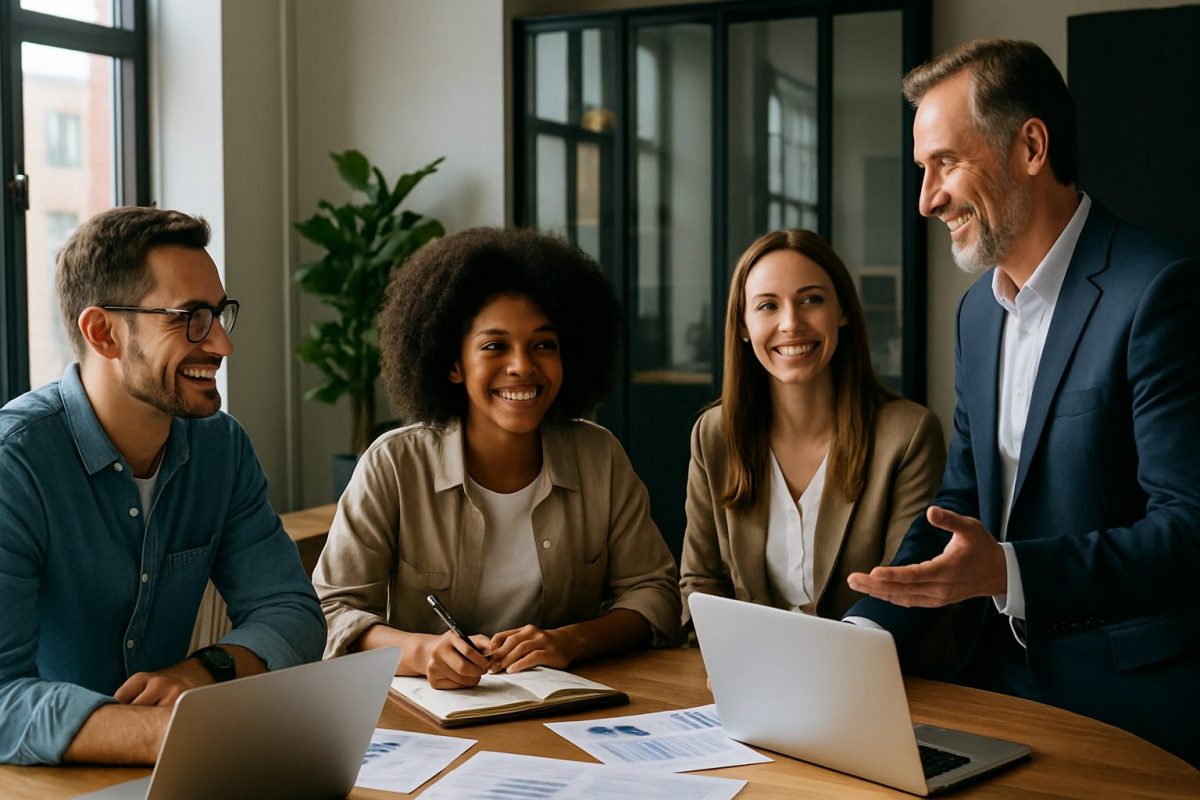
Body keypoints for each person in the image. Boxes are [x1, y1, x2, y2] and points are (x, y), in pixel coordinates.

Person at [844, 38, 1200, 766]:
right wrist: (861, 635)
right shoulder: (977, 314)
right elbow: (959, 504)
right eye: (922, 170)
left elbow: (1190, 532)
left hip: (1132, 710)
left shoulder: (1161, 292)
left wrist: (1009, 572)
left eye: (945, 163)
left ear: (1031, 147)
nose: (927, 199)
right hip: (994, 686)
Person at [0, 207, 326, 766]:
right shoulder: (15, 465)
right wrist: (164, 733)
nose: (222, 345)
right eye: (190, 318)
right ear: (103, 333)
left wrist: (204, 672)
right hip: (41, 781)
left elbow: (292, 612)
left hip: (172, 771)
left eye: (218, 315)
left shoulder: (221, 449)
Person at [313, 227, 681, 689]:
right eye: (495, 346)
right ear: (453, 364)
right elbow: (333, 611)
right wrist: (422, 651)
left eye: (543, 344)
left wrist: (570, 642)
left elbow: (655, 595)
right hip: (430, 713)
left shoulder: (599, 457)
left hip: (567, 709)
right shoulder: (394, 465)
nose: (522, 366)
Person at [679, 230, 945, 625]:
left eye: (811, 300)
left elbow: (903, 590)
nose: (791, 323)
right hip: (747, 660)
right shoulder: (713, 435)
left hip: (870, 659)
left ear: (842, 311)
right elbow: (700, 583)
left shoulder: (908, 435)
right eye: (768, 306)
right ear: (743, 326)